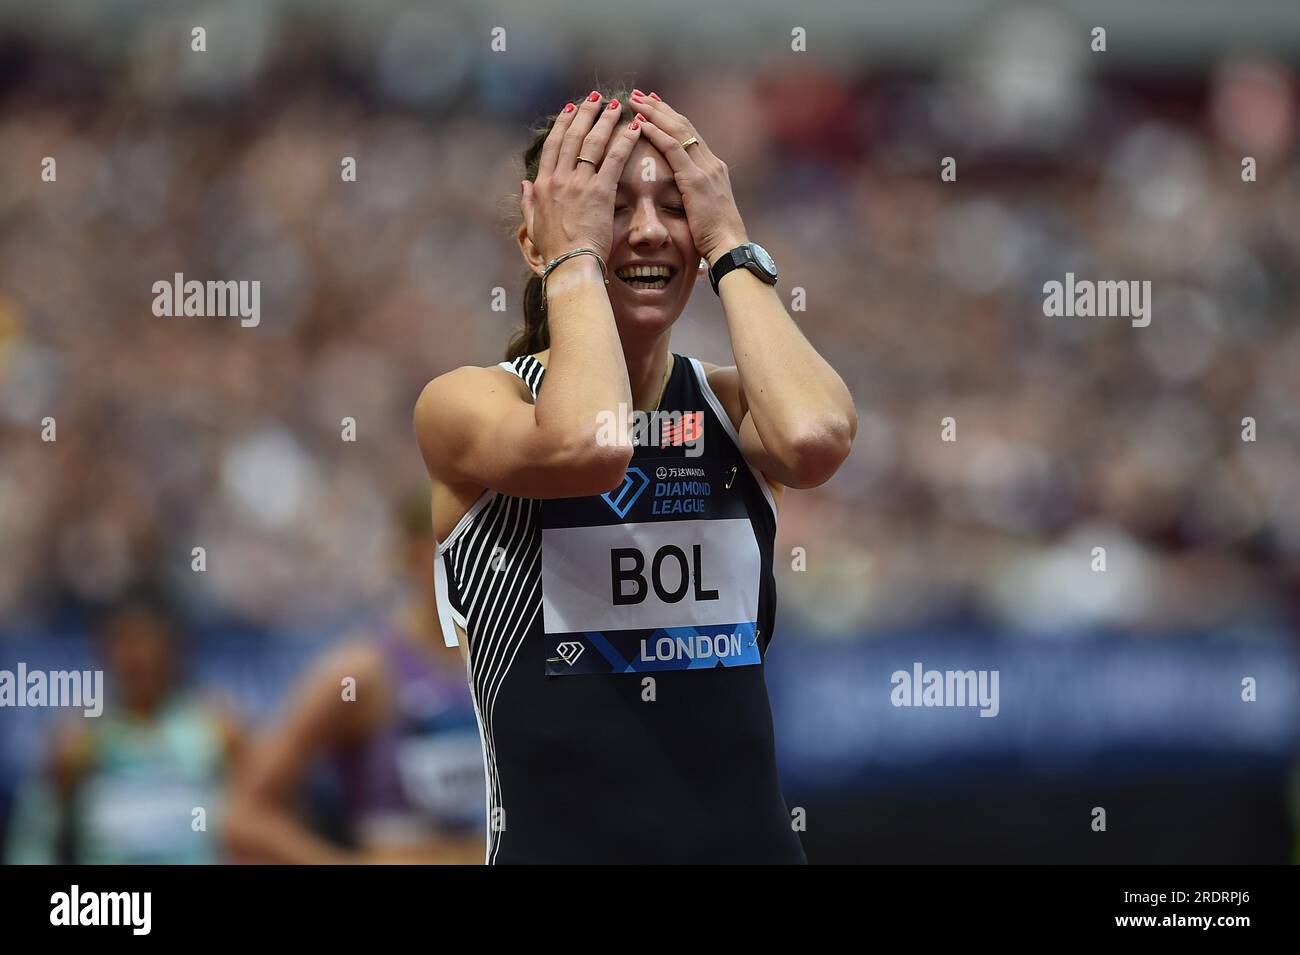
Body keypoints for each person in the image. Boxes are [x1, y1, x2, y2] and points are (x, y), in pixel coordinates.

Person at [413, 86, 856, 863]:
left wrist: (730, 243)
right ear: (536, 241)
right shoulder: (474, 402)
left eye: (673, 205)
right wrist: (575, 259)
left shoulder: (729, 405)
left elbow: (815, 440)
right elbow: (594, 444)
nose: (649, 231)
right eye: (613, 206)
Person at [224, 493, 485, 864]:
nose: (474, 559)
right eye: (456, 542)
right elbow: (245, 818)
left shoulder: (500, 665)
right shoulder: (362, 674)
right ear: (412, 553)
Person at [40, 594, 242, 864]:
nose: (139, 658)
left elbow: (257, 822)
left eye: (150, 643)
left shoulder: (218, 727)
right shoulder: (77, 740)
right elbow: (37, 835)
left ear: (174, 649)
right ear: (104, 652)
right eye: (126, 643)